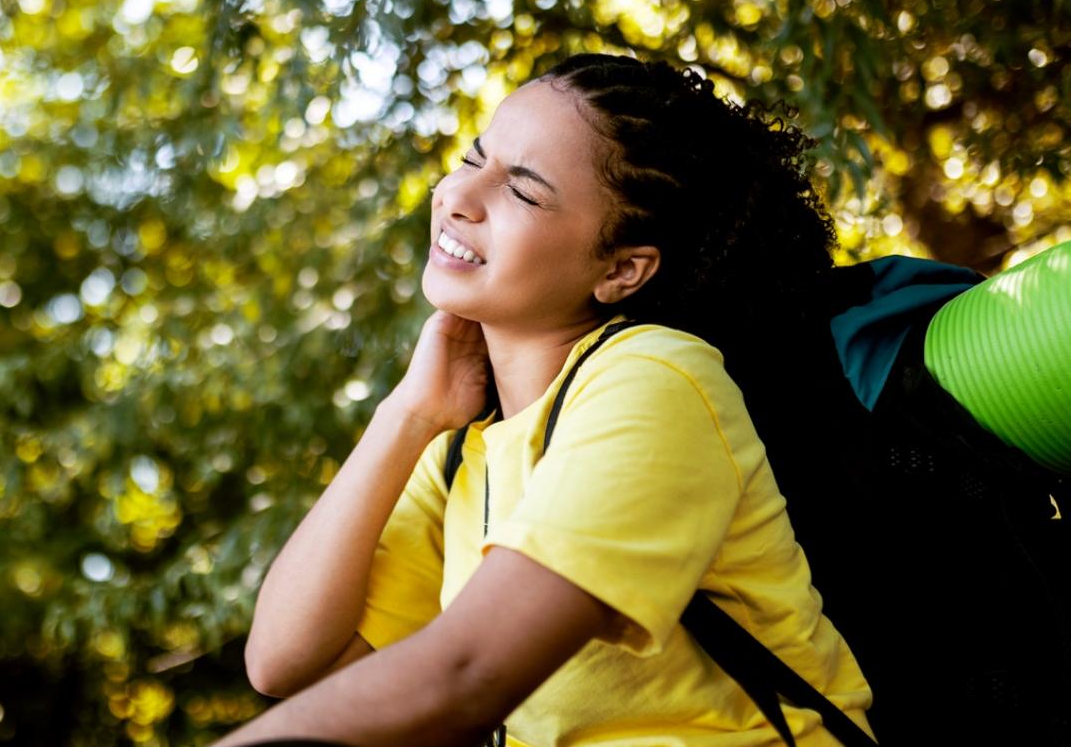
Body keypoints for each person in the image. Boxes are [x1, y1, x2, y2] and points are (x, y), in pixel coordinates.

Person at [213, 53, 875, 747]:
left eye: (523, 192)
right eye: (474, 157)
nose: (462, 197)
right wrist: (406, 415)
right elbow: (287, 661)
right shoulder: (462, 449)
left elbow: (464, 675)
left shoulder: (657, 379)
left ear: (621, 269)